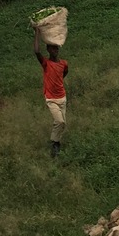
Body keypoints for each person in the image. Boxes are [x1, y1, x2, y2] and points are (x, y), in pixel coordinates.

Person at [34, 28, 68, 157]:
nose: (55, 51)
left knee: (62, 124)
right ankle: (55, 145)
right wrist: (37, 32)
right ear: (48, 50)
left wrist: (57, 82)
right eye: (52, 49)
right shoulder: (46, 63)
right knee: (60, 122)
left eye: (56, 49)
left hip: (62, 97)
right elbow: (36, 51)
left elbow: (63, 74)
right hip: (51, 98)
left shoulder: (64, 64)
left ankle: (56, 142)